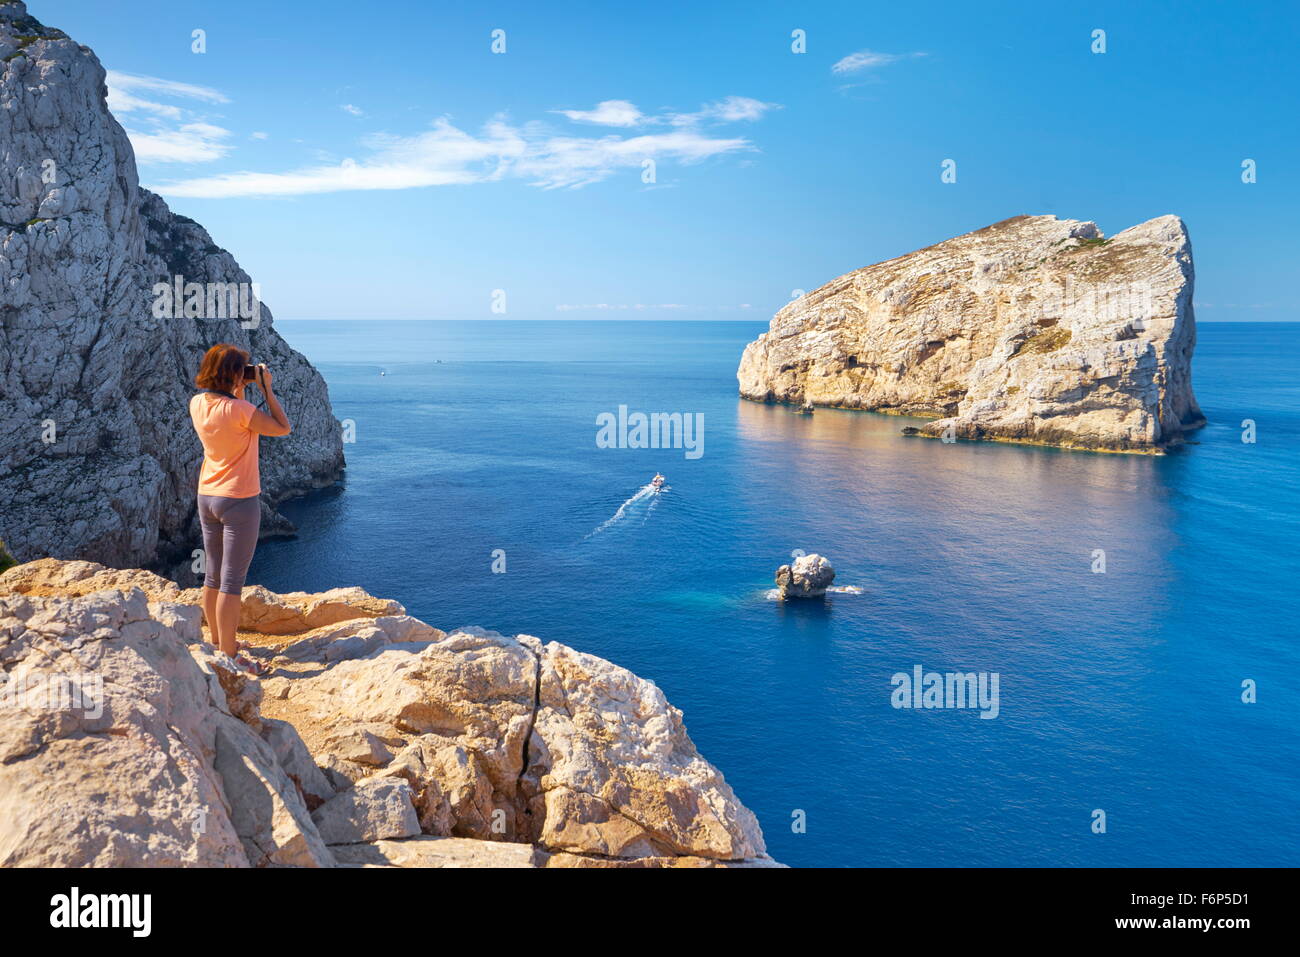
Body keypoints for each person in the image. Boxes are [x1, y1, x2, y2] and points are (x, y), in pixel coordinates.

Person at [189, 344, 291, 674]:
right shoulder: (241, 410)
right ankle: (230, 657)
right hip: (239, 500)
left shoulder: (197, 403)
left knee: (213, 575)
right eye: (242, 369)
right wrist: (267, 389)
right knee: (232, 582)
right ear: (235, 374)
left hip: (207, 496)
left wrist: (238, 389)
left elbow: (226, 411)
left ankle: (220, 641)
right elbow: (282, 427)